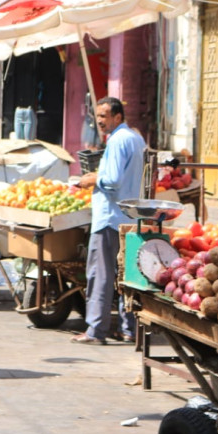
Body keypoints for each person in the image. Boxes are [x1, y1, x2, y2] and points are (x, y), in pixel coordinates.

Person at [72, 97, 145, 345]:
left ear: (117, 117)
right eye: (98, 116)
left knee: (100, 275)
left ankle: (95, 331)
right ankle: (128, 329)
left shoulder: (117, 141)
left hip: (109, 218)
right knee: (125, 277)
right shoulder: (136, 138)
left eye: (104, 116)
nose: (100, 121)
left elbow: (112, 181)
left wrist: (92, 179)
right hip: (130, 217)